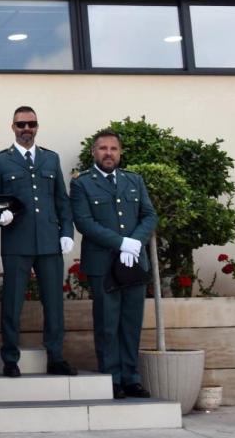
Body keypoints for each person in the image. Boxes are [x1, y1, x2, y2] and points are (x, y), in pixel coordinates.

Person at [0, 106, 77, 378]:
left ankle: (56, 356)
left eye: (31, 124)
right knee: (12, 302)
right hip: (17, 241)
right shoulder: (0, 161)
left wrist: (66, 232)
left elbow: (61, 198)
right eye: (21, 124)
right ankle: (10, 357)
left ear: (37, 127)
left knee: (54, 303)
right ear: (12, 127)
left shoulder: (50, 159)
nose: (27, 129)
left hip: (49, 241)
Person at [70, 130, 158, 399]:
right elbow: (84, 222)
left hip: (133, 263)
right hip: (103, 263)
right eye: (103, 148)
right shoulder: (82, 183)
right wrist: (121, 243)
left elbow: (149, 215)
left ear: (120, 153)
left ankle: (131, 378)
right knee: (107, 323)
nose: (108, 153)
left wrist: (136, 242)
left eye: (113, 149)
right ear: (93, 153)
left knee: (131, 322)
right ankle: (112, 378)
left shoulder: (134, 180)